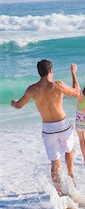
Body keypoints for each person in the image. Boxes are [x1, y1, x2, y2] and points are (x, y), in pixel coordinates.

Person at [11, 60, 80, 194]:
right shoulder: (57, 85)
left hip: (48, 130)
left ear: (39, 72)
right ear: (51, 71)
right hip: (63, 125)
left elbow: (19, 105)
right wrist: (73, 74)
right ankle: (71, 175)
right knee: (69, 150)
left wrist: (13, 103)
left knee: (54, 162)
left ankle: (59, 193)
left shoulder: (32, 89)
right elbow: (77, 93)